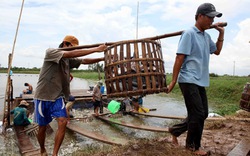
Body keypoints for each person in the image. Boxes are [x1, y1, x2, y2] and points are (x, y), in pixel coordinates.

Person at [166, 3, 225, 156]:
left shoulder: (206, 36)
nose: (212, 21)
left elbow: (217, 51)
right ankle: (192, 147)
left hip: (200, 80)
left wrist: (221, 34)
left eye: (213, 18)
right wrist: (173, 81)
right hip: (188, 79)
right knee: (197, 113)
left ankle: (175, 130)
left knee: (202, 113)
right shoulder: (189, 33)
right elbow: (179, 57)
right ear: (200, 16)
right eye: (210, 17)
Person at [33, 35, 106, 156]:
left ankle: (54, 154)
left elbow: (84, 61)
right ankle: (42, 149)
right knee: (42, 127)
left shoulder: (68, 60)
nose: (74, 51)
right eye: (72, 48)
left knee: (62, 121)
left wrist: (101, 59)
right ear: (65, 44)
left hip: (58, 97)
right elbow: (70, 54)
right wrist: (96, 49)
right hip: (43, 96)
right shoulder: (51, 52)